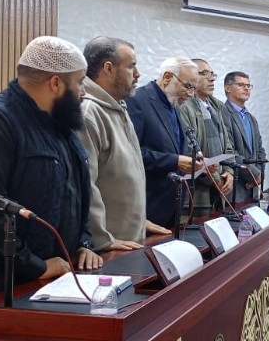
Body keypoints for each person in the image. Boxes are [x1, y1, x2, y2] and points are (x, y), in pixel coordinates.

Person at [0, 36, 103, 310]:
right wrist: (35, 265)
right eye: (80, 82)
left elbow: (75, 193)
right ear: (55, 83)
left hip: (46, 280)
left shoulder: (59, 126)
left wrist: (83, 242)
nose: (84, 91)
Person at [80, 36, 169, 251]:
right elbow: (86, 185)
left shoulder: (117, 106)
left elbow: (120, 176)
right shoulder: (89, 112)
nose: (138, 74)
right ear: (108, 68)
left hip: (128, 238)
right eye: (131, 66)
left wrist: (139, 220)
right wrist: (102, 240)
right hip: (107, 246)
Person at [126, 56, 202, 229]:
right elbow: (131, 153)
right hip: (147, 206)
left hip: (172, 205)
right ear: (167, 77)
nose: (191, 94)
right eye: (188, 87)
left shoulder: (174, 104)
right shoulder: (137, 100)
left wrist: (196, 163)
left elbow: (173, 147)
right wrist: (175, 161)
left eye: (194, 89)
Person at [179, 59, 235, 211]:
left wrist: (229, 172)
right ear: (190, 77)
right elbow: (189, 149)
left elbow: (228, 146)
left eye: (212, 74)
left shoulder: (217, 107)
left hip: (218, 191)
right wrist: (217, 179)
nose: (211, 79)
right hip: (195, 196)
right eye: (204, 74)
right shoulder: (184, 107)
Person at [222, 71, 267, 202]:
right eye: (241, 85)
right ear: (227, 88)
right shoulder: (222, 114)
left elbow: (260, 150)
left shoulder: (251, 118)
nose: (246, 88)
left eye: (248, 85)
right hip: (235, 186)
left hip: (253, 188)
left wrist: (260, 175)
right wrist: (254, 175)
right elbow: (229, 151)